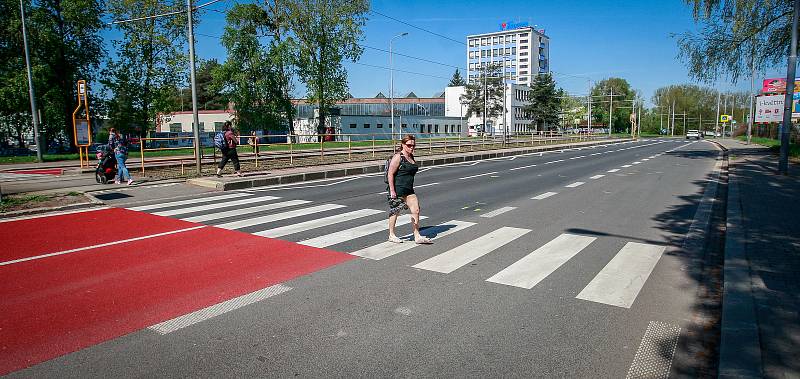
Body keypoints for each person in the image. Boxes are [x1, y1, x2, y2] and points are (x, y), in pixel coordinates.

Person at [386, 134, 432, 244]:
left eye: (413, 145)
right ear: (403, 145)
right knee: (395, 212)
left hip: (409, 190)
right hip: (398, 189)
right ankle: (391, 235)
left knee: (416, 210)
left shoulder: (411, 157)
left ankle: (417, 236)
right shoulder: (398, 157)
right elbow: (390, 174)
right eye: (409, 145)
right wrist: (392, 190)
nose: (411, 147)